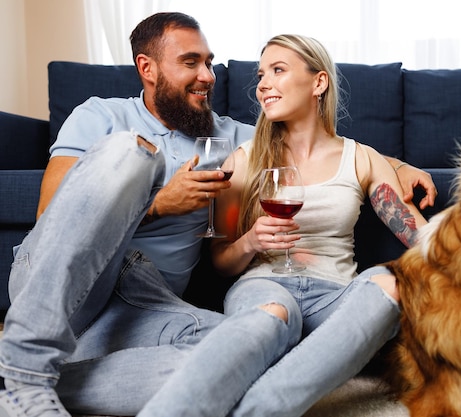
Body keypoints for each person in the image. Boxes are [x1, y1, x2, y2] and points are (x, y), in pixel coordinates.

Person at [0, 12, 435, 417]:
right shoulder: (101, 115)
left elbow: (320, 145)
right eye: (191, 63)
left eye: (209, 63)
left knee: (240, 359)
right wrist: (157, 205)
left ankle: (32, 383)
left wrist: (401, 166)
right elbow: (51, 216)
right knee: (132, 156)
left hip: (147, 299)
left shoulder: (232, 139)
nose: (208, 76)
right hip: (70, 282)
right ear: (147, 68)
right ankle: (25, 359)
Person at [136, 34, 430, 417]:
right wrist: (251, 242)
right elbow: (221, 260)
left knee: (391, 284)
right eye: (261, 74)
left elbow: (423, 240)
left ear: (318, 83)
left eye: (278, 70)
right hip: (265, 287)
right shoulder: (243, 159)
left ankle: (256, 408)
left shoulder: (362, 159)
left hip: (337, 297)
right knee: (273, 315)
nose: (262, 84)